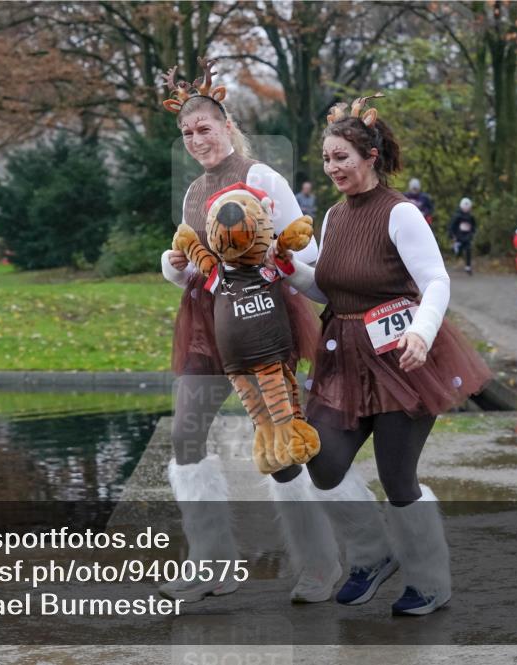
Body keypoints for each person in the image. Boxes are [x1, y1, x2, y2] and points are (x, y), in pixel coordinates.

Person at [271, 96, 491, 615]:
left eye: (341, 157)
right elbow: (330, 288)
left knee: (397, 479)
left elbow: (435, 280)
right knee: (322, 464)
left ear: (370, 155)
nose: (332, 168)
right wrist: (285, 267)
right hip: (342, 359)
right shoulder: (333, 215)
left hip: (402, 361)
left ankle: (430, 582)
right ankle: (373, 555)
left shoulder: (401, 214)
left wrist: (421, 331)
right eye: (327, 159)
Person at [158, 58, 334, 603]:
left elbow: (306, 254)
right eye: (186, 133)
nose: (195, 139)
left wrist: (299, 280)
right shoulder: (192, 193)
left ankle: (320, 564)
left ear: (226, 126)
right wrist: (174, 266)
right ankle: (211, 563)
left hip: (261, 323)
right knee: (185, 437)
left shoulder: (262, 179)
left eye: (203, 128)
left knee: (279, 445)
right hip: (206, 324)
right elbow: (193, 259)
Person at [448, 197, 477, 274]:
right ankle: (456, 257)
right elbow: (451, 227)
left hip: (467, 238)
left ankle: (468, 266)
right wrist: (452, 236)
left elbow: (474, 227)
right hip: (458, 238)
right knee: (458, 251)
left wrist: (472, 234)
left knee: (468, 250)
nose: (466, 209)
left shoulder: (471, 217)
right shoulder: (457, 216)